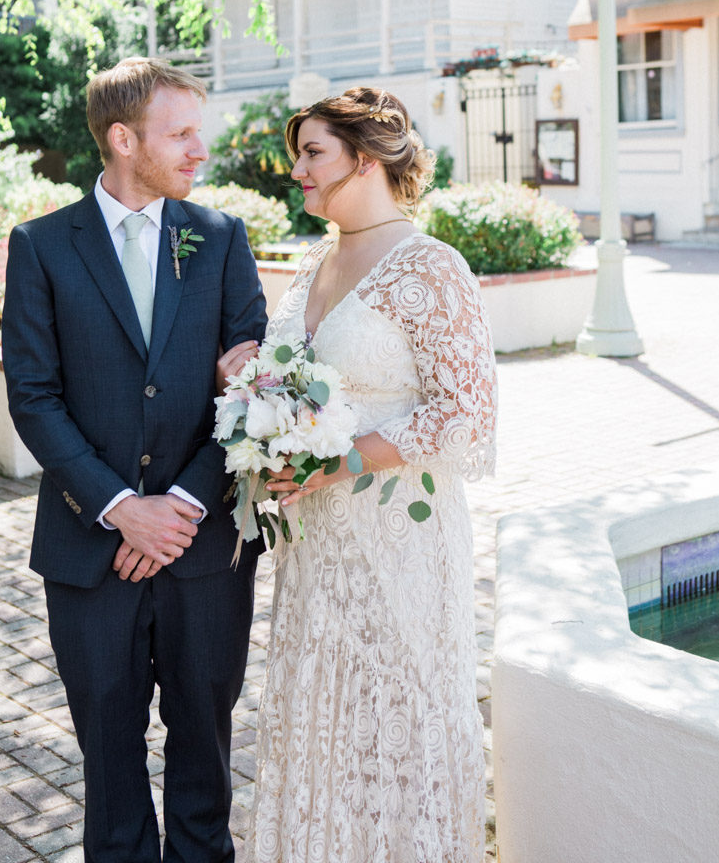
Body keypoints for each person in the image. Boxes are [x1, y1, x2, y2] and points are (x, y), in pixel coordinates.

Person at [1, 58, 268, 863]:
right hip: (89, 555)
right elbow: (34, 397)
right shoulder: (42, 246)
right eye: (180, 132)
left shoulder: (220, 238)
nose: (200, 148)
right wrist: (122, 507)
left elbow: (255, 391)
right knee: (110, 771)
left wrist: (177, 507)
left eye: (198, 129)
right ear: (123, 139)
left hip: (205, 554)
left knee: (205, 760)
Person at [221, 85, 496, 863]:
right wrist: (251, 384)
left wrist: (334, 463)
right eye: (299, 154)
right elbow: (296, 377)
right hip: (317, 545)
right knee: (326, 711)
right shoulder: (314, 261)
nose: (297, 171)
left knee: (399, 706)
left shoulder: (430, 267)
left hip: (398, 532)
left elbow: (463, 411)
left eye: (313, 153)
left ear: (367, 157)